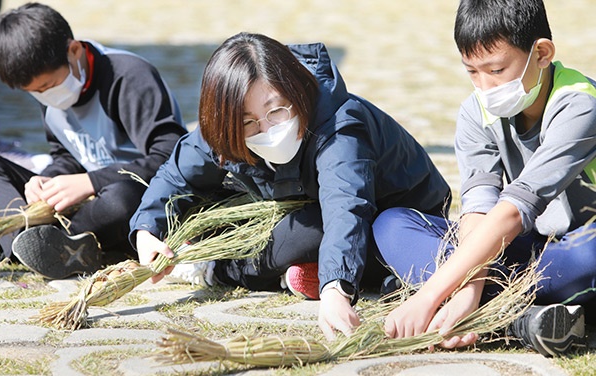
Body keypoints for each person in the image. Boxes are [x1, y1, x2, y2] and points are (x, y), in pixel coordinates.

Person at [129, 32, 451, 340]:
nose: (267, 129)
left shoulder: (338, 125)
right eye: (248, 121)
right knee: (243, 218)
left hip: (394, 218)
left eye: (276, 110)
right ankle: (304, 271)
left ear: (296, 89)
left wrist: (336, 290)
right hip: (305, 204)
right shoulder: (223, 131)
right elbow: (176, 176)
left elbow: (346, 206)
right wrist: (146, 231)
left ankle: (216, 270)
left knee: (308, 232)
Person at [374, 0, 596, 357]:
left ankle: (446, 295)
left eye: (496, 69)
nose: (485, 86)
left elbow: (515, 208)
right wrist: (467, 290)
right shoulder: (475, 112)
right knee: (392, 225)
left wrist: (431, 294)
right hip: (522, 249)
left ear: (541, 53)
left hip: (578, 247)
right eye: (472, 72)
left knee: (590, 260)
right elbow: (478, 207)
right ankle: (510, 317)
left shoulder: (579, 105)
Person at [0, 3, 187, 279]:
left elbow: (170, 155)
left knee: (120, 200)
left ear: (74, 51)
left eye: (48, 87)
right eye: (35, 92)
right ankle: (25, 240)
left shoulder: (129, 76)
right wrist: (47, 181)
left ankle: (48, 244)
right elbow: (66, 155)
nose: (45, 96)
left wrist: (90, 182)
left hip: (136, 199)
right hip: (85, 205)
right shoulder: (50, 89)